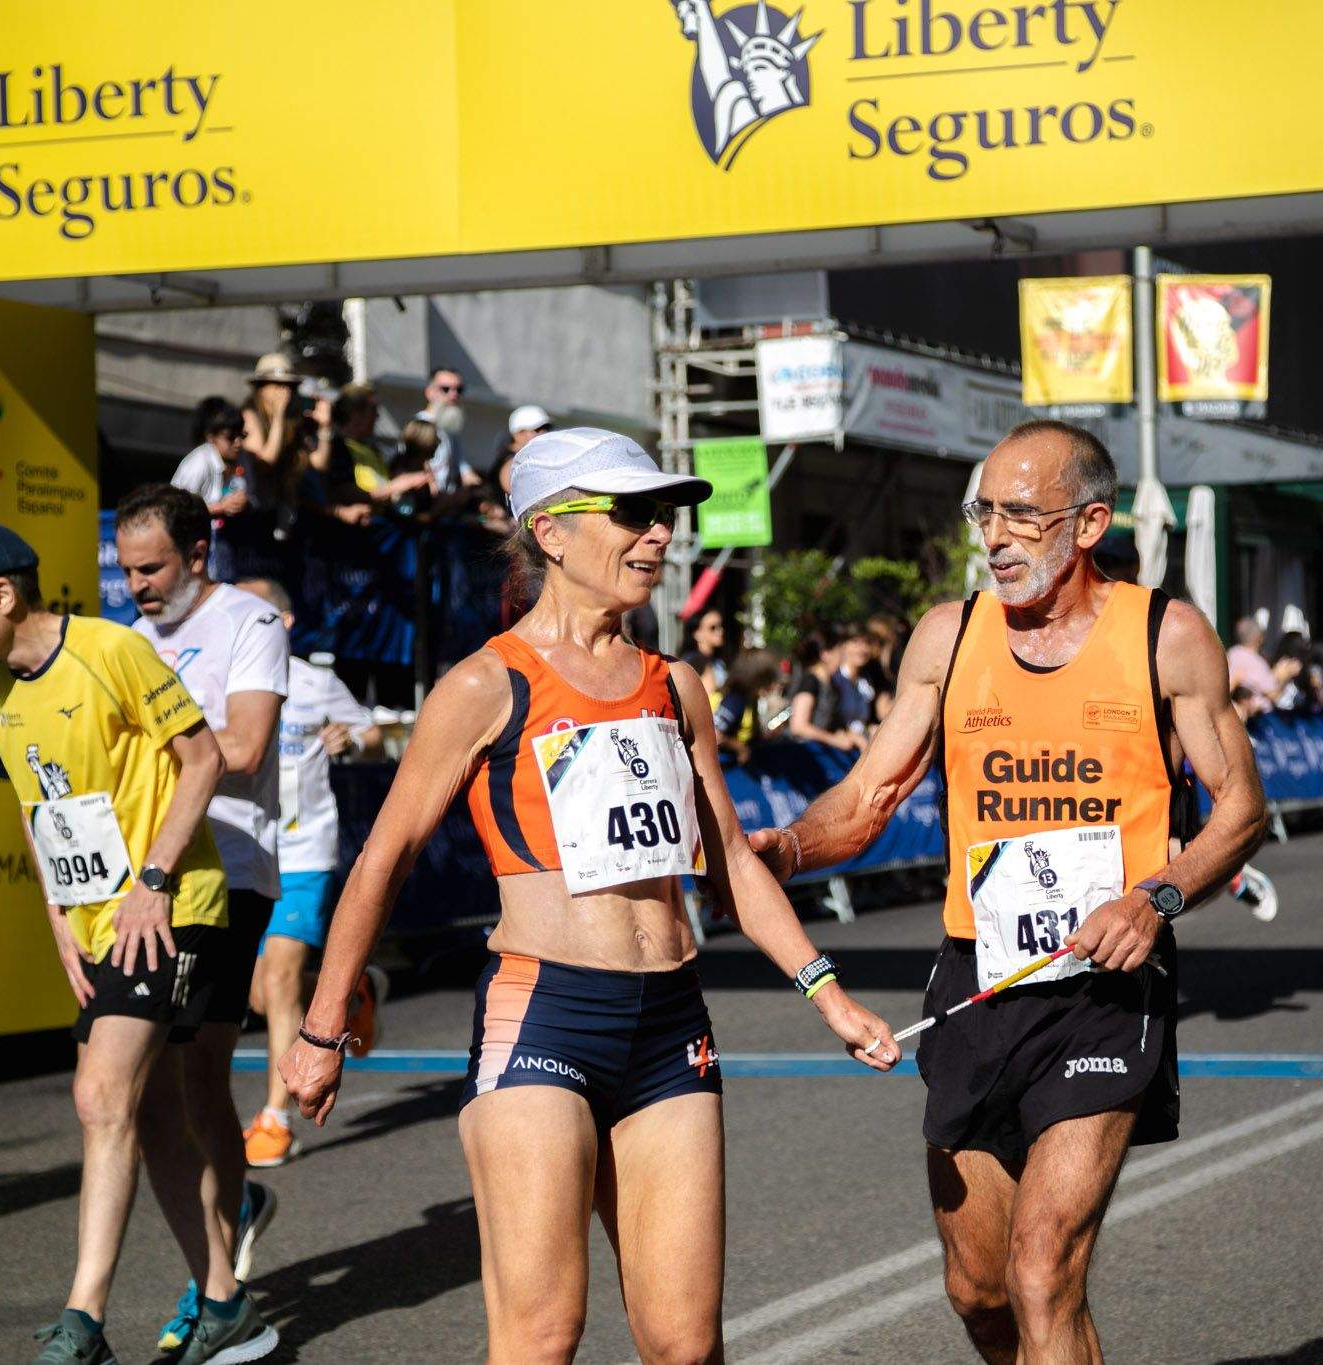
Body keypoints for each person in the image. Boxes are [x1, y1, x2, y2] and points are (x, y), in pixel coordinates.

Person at [277, 427, 897, 1363]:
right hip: (546, 1014)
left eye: (663, 516)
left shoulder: (674, 684)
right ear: (553, 533)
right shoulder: (486, 683)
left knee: (685, 1346)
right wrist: (323, 1028)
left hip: (669, 1019)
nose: (658, 536)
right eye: (633, 514)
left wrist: (830, 993)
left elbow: (726, 853)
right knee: (540, 1336)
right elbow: (384, 857)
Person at [747, 419, 1267, 1362]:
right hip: (978, 979)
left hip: (1105, 987)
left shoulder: (1165, 634)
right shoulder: (949, 636)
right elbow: (869, 795)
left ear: (1090, 523)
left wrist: (1158, 898)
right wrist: (781, 847)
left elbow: (1240, 811)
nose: (994, 533)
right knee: (980, 1286)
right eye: (983, 509)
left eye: (1021, 512)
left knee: (1042, 1268)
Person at [0, 522, 275, 1365]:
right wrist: (60, 916)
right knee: (147, 1112)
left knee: (99, 1093)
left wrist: (154, 880)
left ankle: (84, 1320)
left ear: (3, 591)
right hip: (100, 920)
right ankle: (223, 1300)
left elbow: (204, 759)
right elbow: (40, 812)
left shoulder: (111, 649)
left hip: (174, 906)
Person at [114, 484, 290, 1351]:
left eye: (151, 569)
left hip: (234, 872)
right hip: (154, 875)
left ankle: (216, 1271)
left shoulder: (249, 625)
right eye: (127, 571)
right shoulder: (130, 642)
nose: (138, 586)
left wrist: (167, 758)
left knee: (187, 1075)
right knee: (177, 1079)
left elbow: (247, 748)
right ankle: (231, 1225)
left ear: (197, 552)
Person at [231, 578, 387, 1167]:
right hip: (247, 848)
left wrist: (350, 739)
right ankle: (350, 996)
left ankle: (274, 1118)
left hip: (305, 850)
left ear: (284, 621)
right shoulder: (224, 682)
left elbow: (373, 736)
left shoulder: (315, 682)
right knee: (260, 991)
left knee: (281, 981)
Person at [785, 629, 861, 751]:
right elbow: (798, 726)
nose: (843, 657)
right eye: (839, 652)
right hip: (800, 754)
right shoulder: (810, 681)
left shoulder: (831, 683)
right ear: (825, 654)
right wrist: (833, 739)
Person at [414, 365, 482, 495]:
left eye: (459, 389)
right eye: (445, 389)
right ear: (429, 392)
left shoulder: (449, 429)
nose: (453, 394)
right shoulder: (419, 425)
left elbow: (465, 472)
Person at [239, 353, 301, 469]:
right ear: (261, 388)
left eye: (290, 385)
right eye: (278, 384)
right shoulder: (249, 416)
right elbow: (266, 461)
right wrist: (279, 415)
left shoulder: (292, 418)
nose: (285, 390)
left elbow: (318, 464)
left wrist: (325, 427)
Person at [1227, 617, 1278, 717]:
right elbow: (1273, 694)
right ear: (1259, 637)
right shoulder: (1257, 662)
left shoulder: (1231, 653)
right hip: (1260, 718)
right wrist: (1281, 675)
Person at [680, 606, 731, 695]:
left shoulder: (718, 662)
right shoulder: (692, 663)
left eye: (720, 626)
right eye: (713, 627)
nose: (720, 631)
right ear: (697, 633)